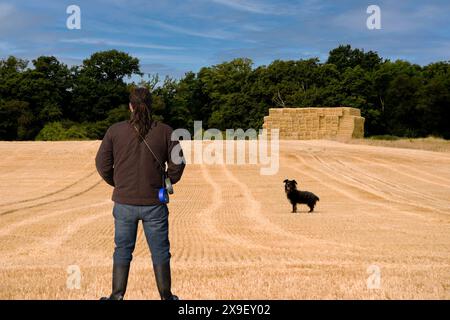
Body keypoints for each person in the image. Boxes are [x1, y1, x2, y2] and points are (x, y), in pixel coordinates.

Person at [95, 87, 185, 300]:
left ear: (130, 106)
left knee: (122, 250)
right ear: (151, 107)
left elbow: (102, 164)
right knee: (160, 251)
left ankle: (116, 296)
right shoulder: (166, 131)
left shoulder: (114, 131)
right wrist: (166, 181)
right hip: (155, 202)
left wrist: (117, 183)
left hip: (124, 203)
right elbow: (178, 164)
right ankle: (166, 297)